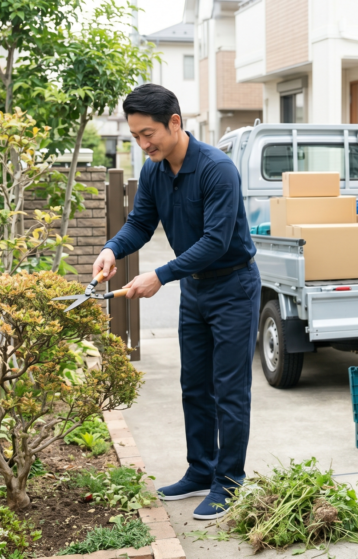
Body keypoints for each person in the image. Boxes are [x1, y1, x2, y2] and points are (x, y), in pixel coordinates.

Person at [93, 83, 260, 520]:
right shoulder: (154, 170)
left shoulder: (216, 169)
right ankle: (201, 470)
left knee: (229, 391)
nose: (143, 144)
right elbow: (140, 223)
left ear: (175, 122)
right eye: (135, 137)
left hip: (233, 287)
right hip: (196, 289)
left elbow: (217, 242)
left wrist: (161, 276)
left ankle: (229, 481)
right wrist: (112, 249)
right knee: (194, 386)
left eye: (148, 134)